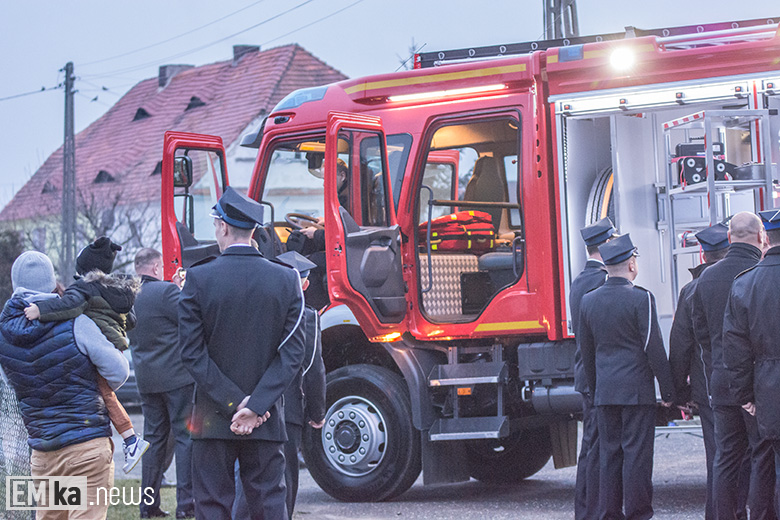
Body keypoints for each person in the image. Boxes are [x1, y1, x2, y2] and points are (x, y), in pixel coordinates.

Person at [179, 186, 305, 519]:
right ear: (253, 231)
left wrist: (236, 403)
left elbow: (192, 354)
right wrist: (256, 406)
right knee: (267, 505)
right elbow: (292, 354)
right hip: (264, 419)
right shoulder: (286, 280)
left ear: (221, 226)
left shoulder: (198, 278)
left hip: (212, 418)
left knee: (211, 505)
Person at [0, 251, 130, 520]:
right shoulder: (76, 323)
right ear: (52, 284)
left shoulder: (3, 334)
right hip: (86, 448)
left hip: (44, 451)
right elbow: (118, 371)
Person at [23, 236, 149, 473]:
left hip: (100, 344)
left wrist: (40, 310)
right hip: (115, 343)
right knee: (106, 393)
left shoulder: (84, 289)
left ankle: (132, 440)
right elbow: (130, 320)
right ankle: (131, 439)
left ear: (84, 270)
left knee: (104, 393)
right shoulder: (115, 291)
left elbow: (68, 306)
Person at [579, 234, 675, 520]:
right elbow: (653, 347)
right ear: (631, 263)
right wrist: (668, 392)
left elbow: (588, 353)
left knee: (609, 456)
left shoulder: (588, 301)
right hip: (636, 392)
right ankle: (638, 514)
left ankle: (609, 513)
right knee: (637, 457)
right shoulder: (641, 298)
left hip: (605, 392)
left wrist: (596, 391)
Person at [691, 211, 776, 520]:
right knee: (760, 455)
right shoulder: (760, 272)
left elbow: (701, 333)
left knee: (725, 457)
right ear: (761, 238)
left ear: (729, 238)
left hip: (721, 381)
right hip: (759, 384)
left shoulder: (705, 278)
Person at [233, 251, 327, 520]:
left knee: (247, 474)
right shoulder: (307, 317)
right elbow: (312, 369)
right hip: (290, 410)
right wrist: (317, 412)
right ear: (306, 285)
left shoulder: (255, 311)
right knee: (283, 482)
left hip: (252, 403)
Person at [668, 223, 729, 520]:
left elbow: (680, 344)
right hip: (749, 386)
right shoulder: (745, 278)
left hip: (708, 387)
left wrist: (678, 391)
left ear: (702, 255)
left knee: (717, 456)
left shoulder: (691, 290)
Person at [128, 248, 195, 519]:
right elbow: (189, 319)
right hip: (177, 379)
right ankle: (186, 505)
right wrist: (180, 289)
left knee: (153, 442)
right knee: (185, 439)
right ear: (156, 268)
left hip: (146, 381)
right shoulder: (167, 292)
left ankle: (148, 506)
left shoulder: (128, 297)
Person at [724, 209, 780, 516]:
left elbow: (735, 347)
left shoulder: (745, 284)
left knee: (764, 461)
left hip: (767, 389)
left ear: (765, 238)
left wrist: (744, 395)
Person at [569, 216, 615, 520]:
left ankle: (588, 509)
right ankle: (592, 510)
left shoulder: (582, 279)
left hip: (587, 374)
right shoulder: (600, 281)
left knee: (591, 446)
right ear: (607, 244)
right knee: (596, 447)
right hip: (597, 375)